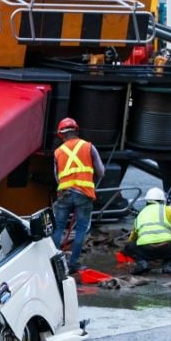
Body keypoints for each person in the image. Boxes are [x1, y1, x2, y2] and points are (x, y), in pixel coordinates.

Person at [51, 117, 105, 274]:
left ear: (61, 134)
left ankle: (53, 262)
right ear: (76, 130)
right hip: (83, 194)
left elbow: (57, 177)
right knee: (81, 228)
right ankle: (73, 263)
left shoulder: (58, 152)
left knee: (59, 227)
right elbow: (101, 172)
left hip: (64, 194)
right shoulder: (88, 147)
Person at [124, 187, 171, 275]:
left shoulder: (141, 213)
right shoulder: (168, 209)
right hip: (166, 248)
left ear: (147, 201)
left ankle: (142, 263)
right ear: (162, 201)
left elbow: (132, 238)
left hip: (146, 250)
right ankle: (168, 264)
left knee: (129, 246)